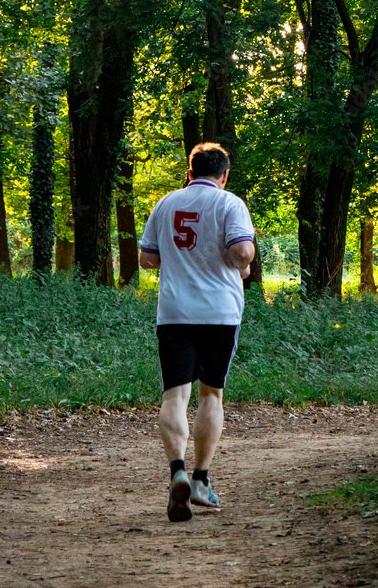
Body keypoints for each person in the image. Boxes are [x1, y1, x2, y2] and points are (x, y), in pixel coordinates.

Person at [139, 142, 255, 522]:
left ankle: (177, 472)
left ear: (190, 172)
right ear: (224, 175)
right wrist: (245, 262)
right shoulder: (229, 203)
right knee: (211, 394)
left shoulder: (165, 204)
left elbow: (147, 260)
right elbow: (241, 252)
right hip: (219, 314)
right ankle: (201, 479)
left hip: (174, 312)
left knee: (174, 394)